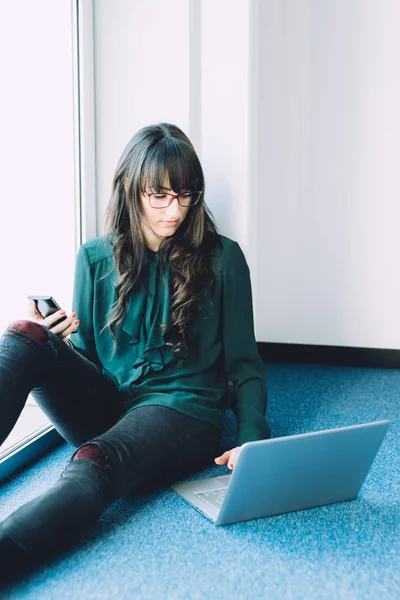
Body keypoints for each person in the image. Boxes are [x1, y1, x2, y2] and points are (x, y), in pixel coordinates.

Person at [0, 123, 270, 579]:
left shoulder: (224, 259)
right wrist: (60, 340)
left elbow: (245, 366)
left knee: (95, 461)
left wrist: (251, 442)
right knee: (27, 334)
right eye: (160, 196)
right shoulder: (93, 258)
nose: (175, 210)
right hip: (111, 402)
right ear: (130, 189)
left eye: (186, 195)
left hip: (181, 409)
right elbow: (89, 359)